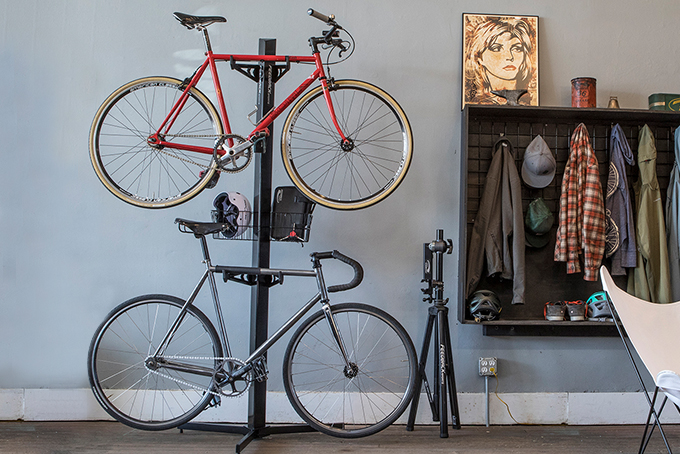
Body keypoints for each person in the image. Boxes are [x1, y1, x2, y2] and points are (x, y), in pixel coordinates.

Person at [464, 16, 537, 106]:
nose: (509, 57)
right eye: (496, 48)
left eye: (517, 48)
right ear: (479, 57)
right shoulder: (476, 101)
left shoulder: (531, 99)